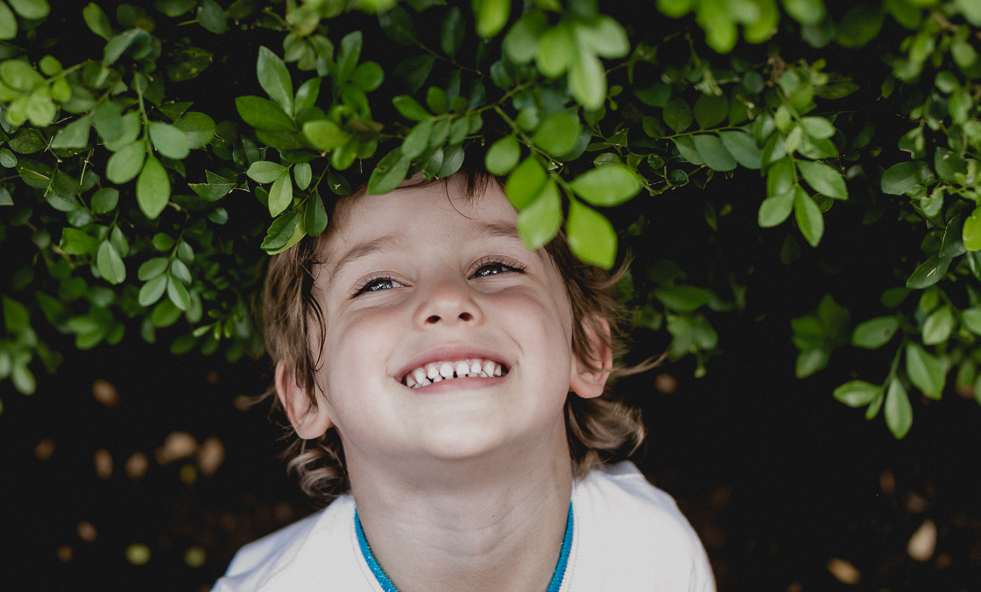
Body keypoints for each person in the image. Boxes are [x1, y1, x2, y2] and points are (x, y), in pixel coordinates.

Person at [213, 169, 714, 592]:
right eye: (378, 283)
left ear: (586, 350)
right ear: (304, 393)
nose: (447, 300)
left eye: (495, 266)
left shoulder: (656, 555)